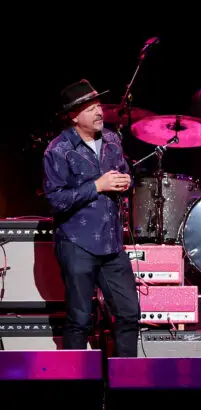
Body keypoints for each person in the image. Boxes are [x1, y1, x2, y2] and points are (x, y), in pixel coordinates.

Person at [43, 79, 139, 357]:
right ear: (74, 116)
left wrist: (125, 182)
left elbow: (124, 174)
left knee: (129, 314)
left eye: (98, 106)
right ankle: (76, 388)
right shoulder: (58, 150)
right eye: (90, 108)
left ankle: (125, 384)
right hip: (77, 242)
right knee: (80, 320)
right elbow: (56, 200)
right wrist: (97, 186)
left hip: (111, 243)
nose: (99, 112)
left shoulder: (112, 139)